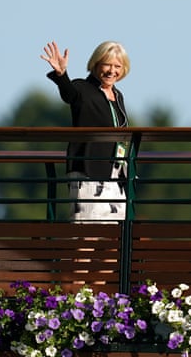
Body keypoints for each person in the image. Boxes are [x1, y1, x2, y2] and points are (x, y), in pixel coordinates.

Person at [41, 40, 131, 223]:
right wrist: (61, 74)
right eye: (107, 64)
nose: (111, 71)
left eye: (117, 66)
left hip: (115, 174)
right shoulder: (83, 88)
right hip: (89, 171)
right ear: (96, 64)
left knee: (117, 235)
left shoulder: (118, 95)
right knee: (87, 233)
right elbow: (69, 94)